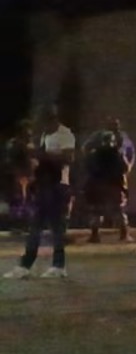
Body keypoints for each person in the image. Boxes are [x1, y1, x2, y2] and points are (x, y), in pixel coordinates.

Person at [4, 105, 75, 279]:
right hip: (44, 185)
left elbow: (68, 158)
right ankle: (25, 266)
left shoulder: (65, 134)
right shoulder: (46, 135)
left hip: (58, 186)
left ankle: (58, 266)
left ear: (53, 119)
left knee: (56, 228)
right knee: (35, 226)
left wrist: (41, 154)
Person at [81, 119, 133, 243]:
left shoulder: (94, 154)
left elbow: (88, 167)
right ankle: (124, 234)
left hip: (98, 185)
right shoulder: (118, 154)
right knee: (118, 209)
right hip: (113, 185)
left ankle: (95, 235)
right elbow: (125, 168)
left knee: (97, 210)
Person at [4, 120, 36, 232]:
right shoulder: (15, 144)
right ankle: (18, 224)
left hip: (29, 176)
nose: (29, 132)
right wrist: (17, 174)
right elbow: (11, 161)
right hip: (19, 175)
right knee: (19, 199)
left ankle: (26, 224)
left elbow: (32, 160)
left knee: (28, 199)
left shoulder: (28, 143)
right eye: (27, 130)